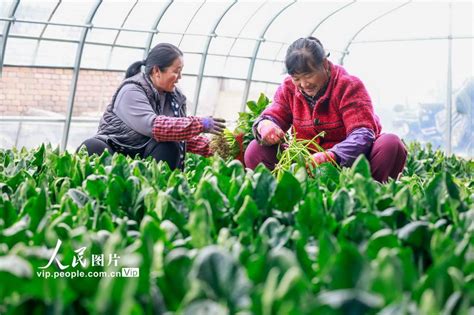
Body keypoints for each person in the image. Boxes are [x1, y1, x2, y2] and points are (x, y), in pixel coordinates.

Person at [244, 37, 407, 182]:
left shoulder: (348, 85)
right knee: (255, 149)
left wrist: (333, 155)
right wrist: (265, 125)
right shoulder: (288, 88)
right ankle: (280, 193)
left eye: (308, 76)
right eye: (296, 78)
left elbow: (362, 133)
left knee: (390, 144)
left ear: (324, 64)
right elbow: (275, 113)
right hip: (307, 163)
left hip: (351, 163)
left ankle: (366, 192)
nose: (303, 84)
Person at [78, 43, 225, 170]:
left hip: (145, 153)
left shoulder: (175, 98)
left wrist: (218, 147)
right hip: (117, 150)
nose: (179, 77)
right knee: (93, 147)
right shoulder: (131, 90)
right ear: (156, 71)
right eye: (176, 71)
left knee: (170, 145)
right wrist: (202, 123)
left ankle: (156, 195)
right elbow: (155, 126)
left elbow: (180, 135)